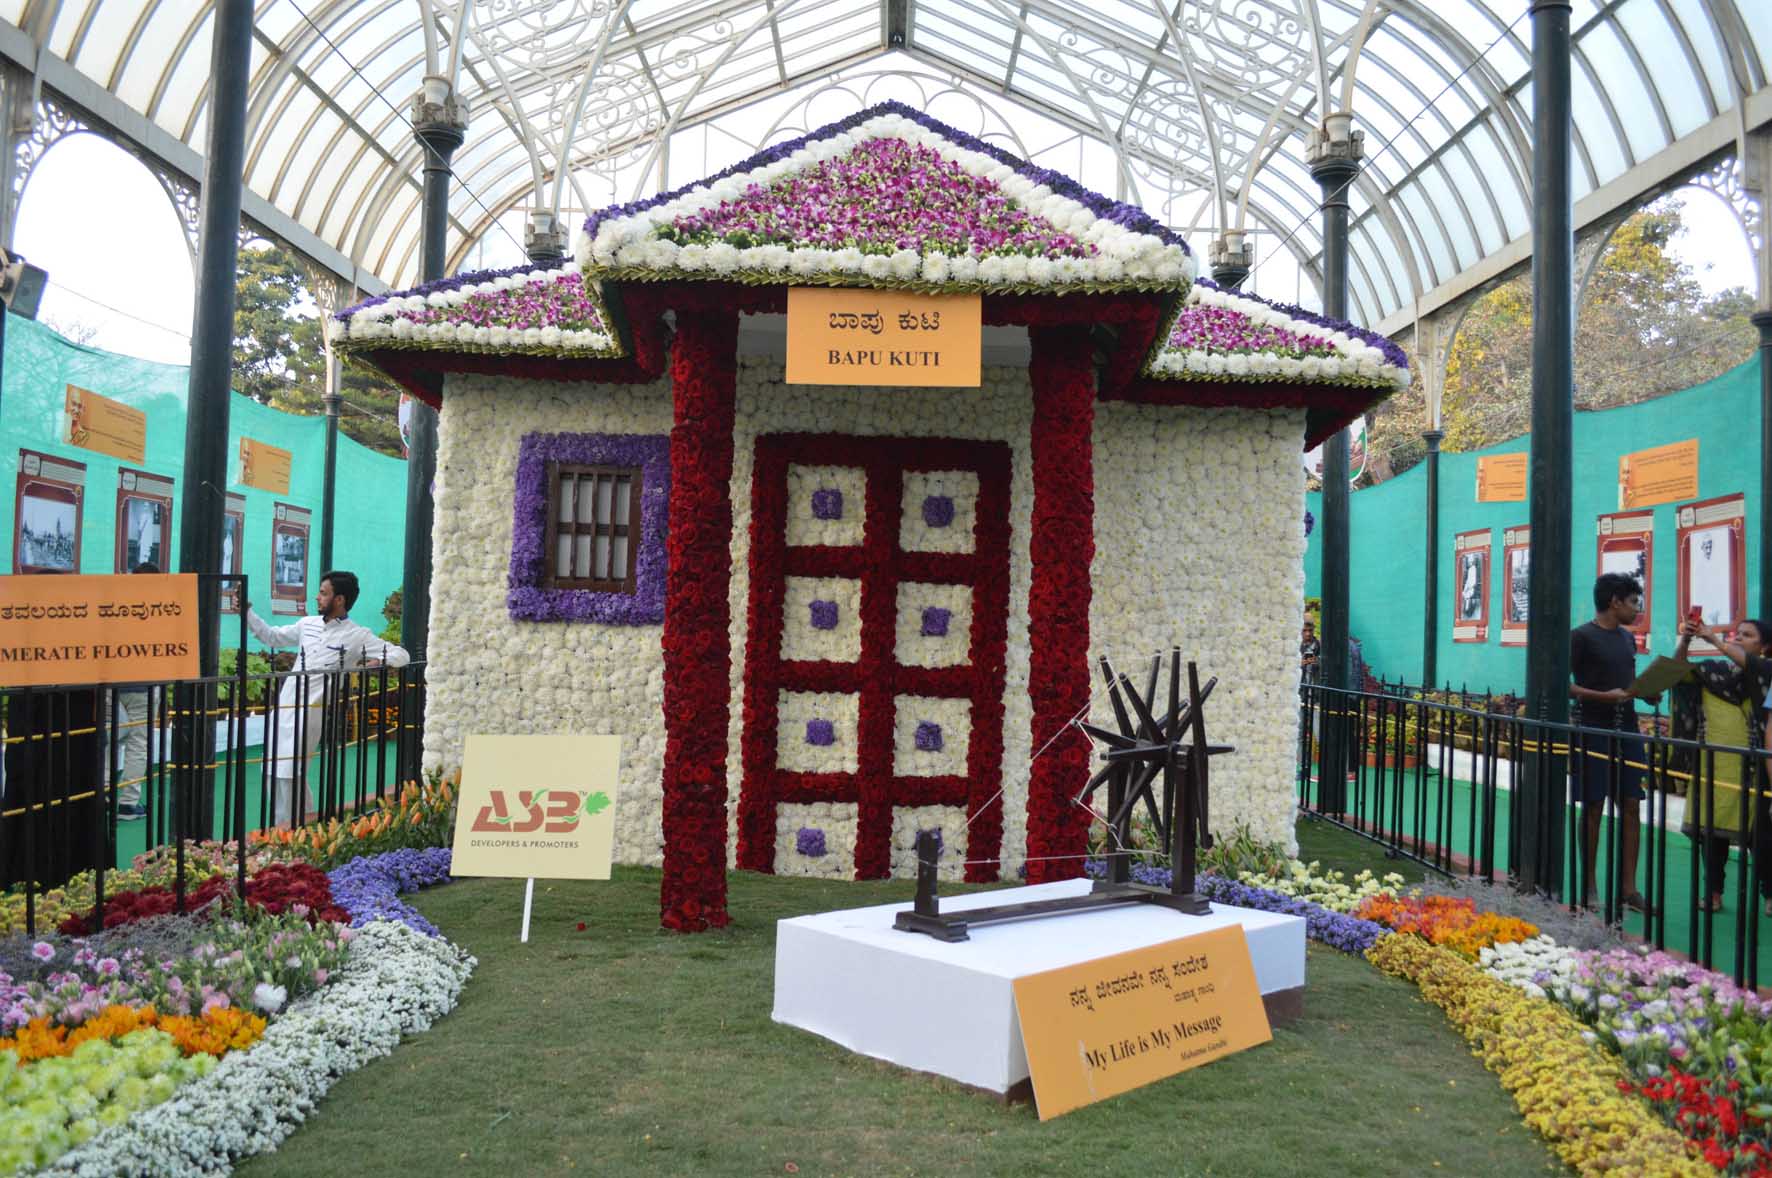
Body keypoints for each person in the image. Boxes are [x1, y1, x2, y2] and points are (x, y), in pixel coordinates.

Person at [247, 570, 409, 828]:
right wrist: (246, 613)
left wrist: (377, 661)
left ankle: (292, 829)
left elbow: (402, 655)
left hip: (310, 712)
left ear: (339, 599)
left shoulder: (357, 635)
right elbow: (272, 636)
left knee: (290, 771)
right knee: (272, 771)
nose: (317, 597)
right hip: (284, 707)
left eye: (323, 593)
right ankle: (297, 828)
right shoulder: (307, 624)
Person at [1569, 572, 1655, 915]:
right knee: (1593, 806)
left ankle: (1628, 889)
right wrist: (1603, 696)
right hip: (1593, 727)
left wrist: (1644, 692)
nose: (1637, 609)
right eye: (1634, 602)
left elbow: (1627, 683)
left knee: (1632, 803)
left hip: (1627, 728)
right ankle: (1589, 886)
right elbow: (1563, 684)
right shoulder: (1581, 637)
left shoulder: (1627, 638)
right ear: (1614, 602)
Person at [1674, 617, 1772, 914]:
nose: (1739, 638)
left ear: (1765, 647)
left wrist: (1714, 639)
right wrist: (1687, 639)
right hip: (1714, 765)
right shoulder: (1712, 671)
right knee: (1711, 833)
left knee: (1761, 835)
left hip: (1756, 768)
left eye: (1748, 635)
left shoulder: (1766, 673)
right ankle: (1713, 893)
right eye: (1737, 633)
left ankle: (1770, 894)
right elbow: (1678, 670)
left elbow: (1754, 667)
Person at [112, 560, 160, 820]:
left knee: (108, 741)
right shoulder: (163, 609)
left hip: (113, 683)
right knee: (138, 743)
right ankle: (128, 803)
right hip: (145, 685)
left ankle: (103, 795)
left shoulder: (116, 606)